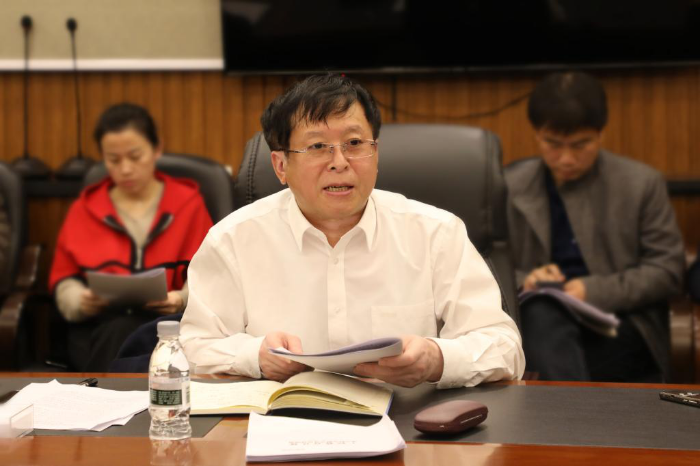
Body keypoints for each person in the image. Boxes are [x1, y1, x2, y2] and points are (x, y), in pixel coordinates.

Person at [180, 74, 524, 388]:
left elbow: (505, 349)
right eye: (317, 147)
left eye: (355, 143)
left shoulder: (436, 233)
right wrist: (255, 356)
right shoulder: (233, 239)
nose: (340, 162)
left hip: (408, 420)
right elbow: (191, 348)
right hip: (280, 420)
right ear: (281, 166)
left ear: (376, 153)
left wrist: (436, 360)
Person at [505, 71, 685, 382]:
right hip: (540, 323)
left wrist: (594, 290)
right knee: (542, 313)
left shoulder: (640, 184)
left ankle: (565, 413)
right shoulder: (510, 185)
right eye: (553, 144)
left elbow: (668, 270)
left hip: (619, 323)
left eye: (580, 145)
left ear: (601, 134)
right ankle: (575, 412)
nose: (566, 159)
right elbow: (485, 266)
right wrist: (527, 281)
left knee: (546, 338)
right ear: (536, 134)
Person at [49, 103, 213, 372]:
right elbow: (64, 279)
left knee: (141, 335)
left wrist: (181, 298)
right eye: (113, 160)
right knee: (119, 330)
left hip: (169, 326)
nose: (125, 169)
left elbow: (209, 273)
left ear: (157, 148)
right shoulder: (85, 209)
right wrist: (80, 300)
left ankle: (103, 394)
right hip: (99, 327)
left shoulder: (188, 204)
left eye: (135, 156)